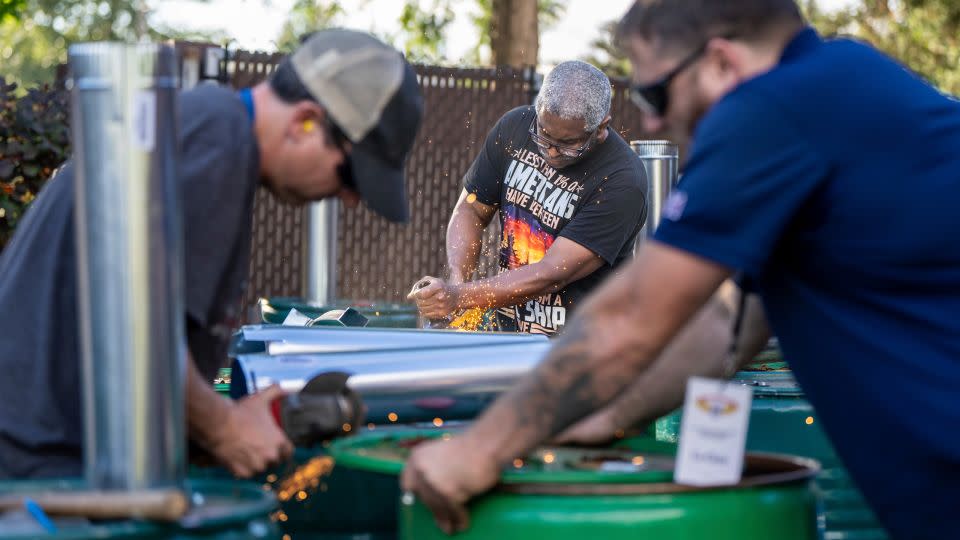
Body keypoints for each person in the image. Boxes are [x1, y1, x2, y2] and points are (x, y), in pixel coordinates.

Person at [400, 1, 960, 538]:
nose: (651, 117)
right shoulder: (839, 90)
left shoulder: (775, 110)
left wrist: (480, 450)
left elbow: (633, 315)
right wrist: (606, 420)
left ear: (721, 61)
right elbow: (726, 326)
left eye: (654, 90)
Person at [0, 29, 423, 479]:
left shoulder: (211, 133)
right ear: (305, 120)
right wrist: (223, 427)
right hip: (35, 469)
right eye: (350, 175)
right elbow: (137, 331)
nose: (351, 199)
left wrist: (234, 421)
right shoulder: (216, 141)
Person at [408, 60, 646, 336]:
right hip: (510, 336)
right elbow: (472, 208)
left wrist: (458, 296)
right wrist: (457, 278)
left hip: (582, 347)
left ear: (601, 127)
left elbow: (551, 274)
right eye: (544, 136)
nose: (552, 152)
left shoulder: (622, 180)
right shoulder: (514, 128)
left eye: (568, 145)